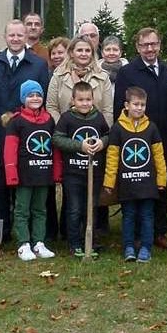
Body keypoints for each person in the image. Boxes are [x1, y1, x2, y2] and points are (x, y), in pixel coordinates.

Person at [0, 20, 52, 242]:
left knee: (29, 182)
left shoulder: (38, 64)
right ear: (5, 36)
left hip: (30, 132)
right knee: (3, 181)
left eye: (19, 35)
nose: (15, 39)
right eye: (11, 35)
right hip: (3, 132)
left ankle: (34, 231)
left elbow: (43, 97)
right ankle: (3, 229)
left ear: (26, 37)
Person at [113, 28, 167, 249]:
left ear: (160, 44)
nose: (150, 49)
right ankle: (136, 233)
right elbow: (117, 109)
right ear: (138, 47)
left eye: (153, 44)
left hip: (162, 139)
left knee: (160, 183)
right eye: (145, 45)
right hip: (134, 140)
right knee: (137, 183)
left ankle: (159, 232)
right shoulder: (127, 72)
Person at [103, 86, 167, 262]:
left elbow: (159, 156)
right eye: (135, 104)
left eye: (142, 104)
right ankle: (129, 247)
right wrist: (109, 182)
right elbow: (112, 157)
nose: (139, 108)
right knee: (129, 216)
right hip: (127, 184)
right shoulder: (117, 128)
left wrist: (162, 179)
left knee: (147, 216)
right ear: (126, 105)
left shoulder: (152, 128)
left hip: (147, 184)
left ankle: (146, 247)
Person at [2, 79, 62, 261]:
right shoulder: (16, 122)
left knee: (40, 209)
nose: (35, 98)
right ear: (23, 99)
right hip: (24, 175)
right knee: (22, 209)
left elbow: (55, 149)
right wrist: (11, 174)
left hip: (43, 174)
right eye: (30, 95)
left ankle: (39, 242)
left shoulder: (49, 120)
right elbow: (10, 151)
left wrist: (57, 172)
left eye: (38, 95)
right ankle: (23, 243)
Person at [53, 81, 110, 256]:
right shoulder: (66, 118)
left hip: (95, 172)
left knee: (91, 208)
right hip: (73, 173)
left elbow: (108, 135)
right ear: (73, 101)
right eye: (80, 100)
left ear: (93, 100)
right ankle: (74, 243)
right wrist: (79, 146)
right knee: (75, 208)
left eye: (88, 100)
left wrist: (102, 143)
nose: (84, 103)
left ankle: (89, 242)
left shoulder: (98, 117)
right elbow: (57, 139)